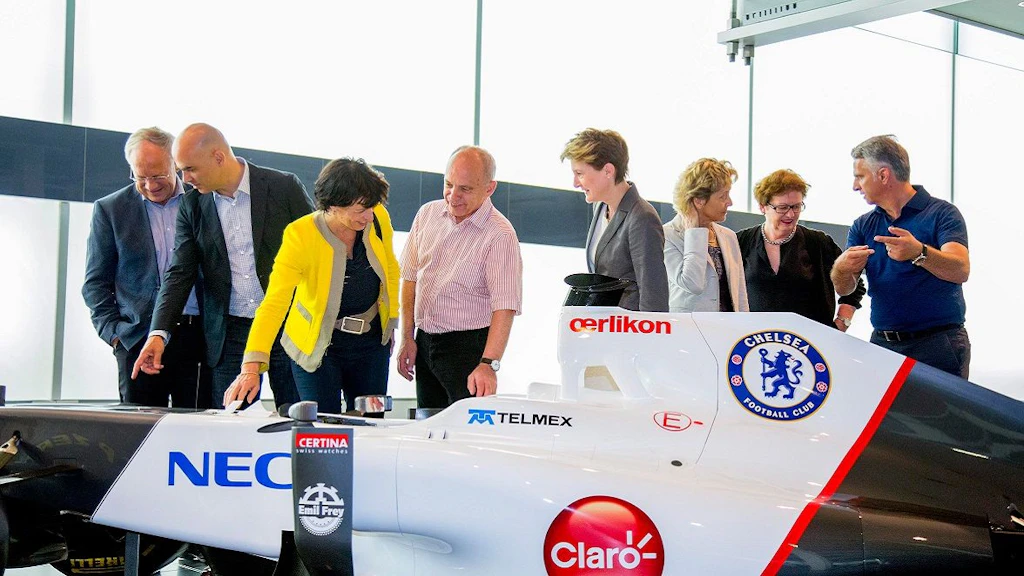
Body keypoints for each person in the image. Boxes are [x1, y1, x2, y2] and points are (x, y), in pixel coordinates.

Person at [132, 123, 313, 408]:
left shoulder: (283, 187)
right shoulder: (192, 205)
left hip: (287, 326)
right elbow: (179, 273)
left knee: (297, 417)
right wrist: (159, 333)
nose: (185, 178)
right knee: (230, 424)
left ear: (218, 157)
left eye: (190, 169)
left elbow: (316, 253)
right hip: (229, 335)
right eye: (181, 170)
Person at [222, 158, 399, 414]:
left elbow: (390, 269)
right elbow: (274, 303)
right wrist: (251, 365)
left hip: (370, 347)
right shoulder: (300, 235)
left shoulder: (378, 218)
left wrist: (390, 321)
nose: (369, 215)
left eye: (372, 206)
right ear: (334, 204)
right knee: (320, 430)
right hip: (317, 347)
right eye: (361, 209)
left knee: (371, 422)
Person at [82, 127, 209, 408]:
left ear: (174, 164)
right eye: (141, 177)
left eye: (158, 175)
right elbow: (95, 283)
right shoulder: (110, 210)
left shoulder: (202, 202)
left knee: (200, 434)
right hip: (136, 339)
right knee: (140, 437)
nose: (150, 185)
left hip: (195, 338)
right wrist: (116, 335)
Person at [832, 135, 971, 378]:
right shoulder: (862, 225)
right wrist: (841, 269)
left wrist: (919, 252)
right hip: (883, 346)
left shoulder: (943, 214)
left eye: (860, 176)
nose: (855, 186)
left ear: (884, 175)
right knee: (884, 418)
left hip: (938, 346)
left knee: (940, 418)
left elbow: (960, 269)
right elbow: (845, 289)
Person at [396, 146, 522, 409]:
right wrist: (407, 337)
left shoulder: (500, 235)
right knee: (429, 426)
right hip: (424, 341)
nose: (453, 196)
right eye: (449, 184)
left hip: (468, 349)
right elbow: (409, 279)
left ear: (490, 188)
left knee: (465, 433)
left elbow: (505, 307)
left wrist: (488, 364)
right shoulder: (427, 214)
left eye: (465, 189)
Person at [737, 169, 865, 329]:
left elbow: (854, 285)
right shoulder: (741, 241)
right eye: (782, 208)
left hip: (810, 344)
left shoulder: (818, 243)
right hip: (755, 342)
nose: (790, 214)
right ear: (763, 207)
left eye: (796, 206)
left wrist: (842, 322)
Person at [560, 128, 668, 312]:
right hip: (606, 327)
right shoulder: (601, 207)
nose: (575, 183)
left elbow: (654, 297)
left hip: (629, 332)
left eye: (580, 174)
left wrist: (646, 339)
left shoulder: (642, 217)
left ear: (608, 171)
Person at [664, 158, 748, 313]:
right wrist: (694, 233)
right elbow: (692, 283)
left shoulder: (729, 236)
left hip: (729, 331)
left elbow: (740, 296)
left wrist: (745, 331)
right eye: (723, 196)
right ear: (699, 200)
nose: (730, 202)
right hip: (689, 331)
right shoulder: (666, 235)